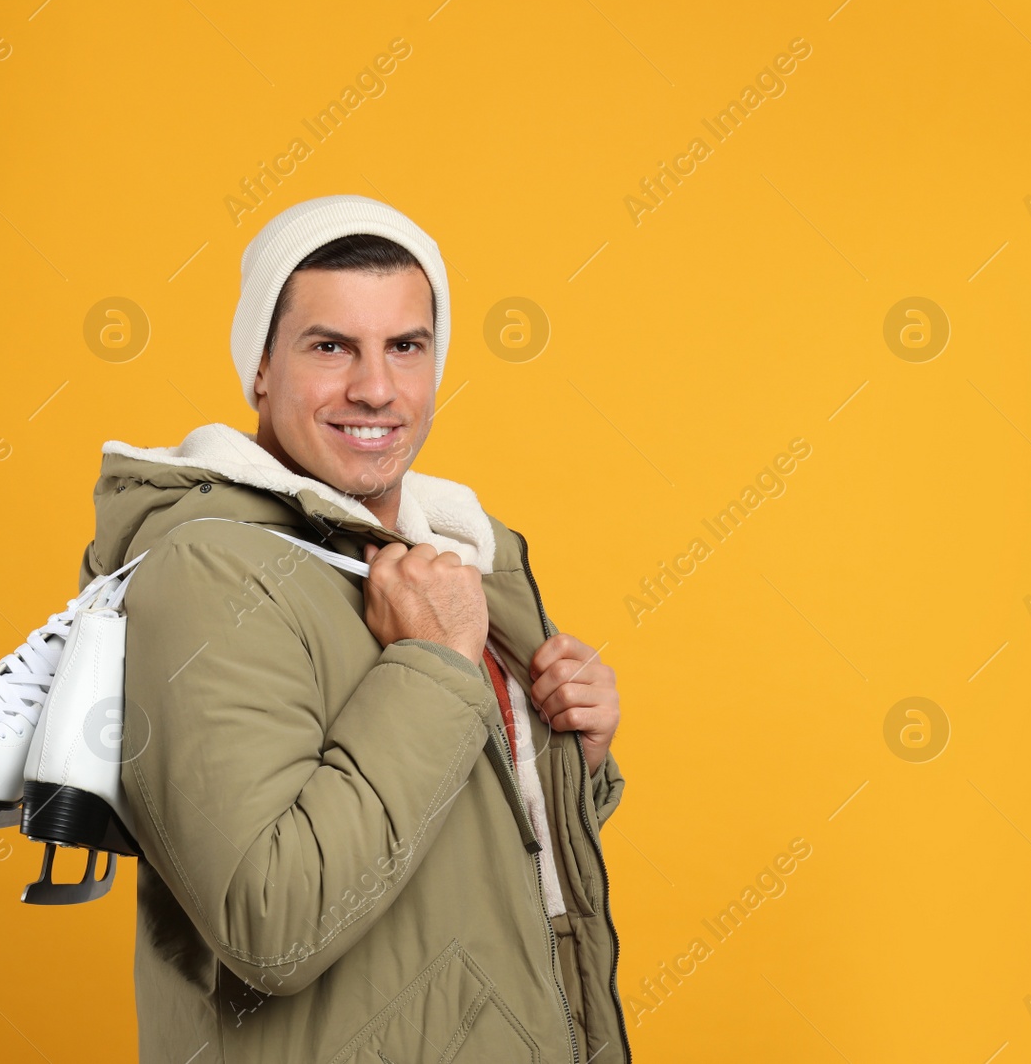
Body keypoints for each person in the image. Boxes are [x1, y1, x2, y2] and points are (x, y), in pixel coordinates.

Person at [78, 194, 630, 1063]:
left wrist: (572, 757)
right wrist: (432, 667)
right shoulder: (210, 570)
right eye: (330, 346)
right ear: (260, 367)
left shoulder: (453, 557)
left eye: (404, 346)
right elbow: (272, 922)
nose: (375, 387)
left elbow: (461, 859)